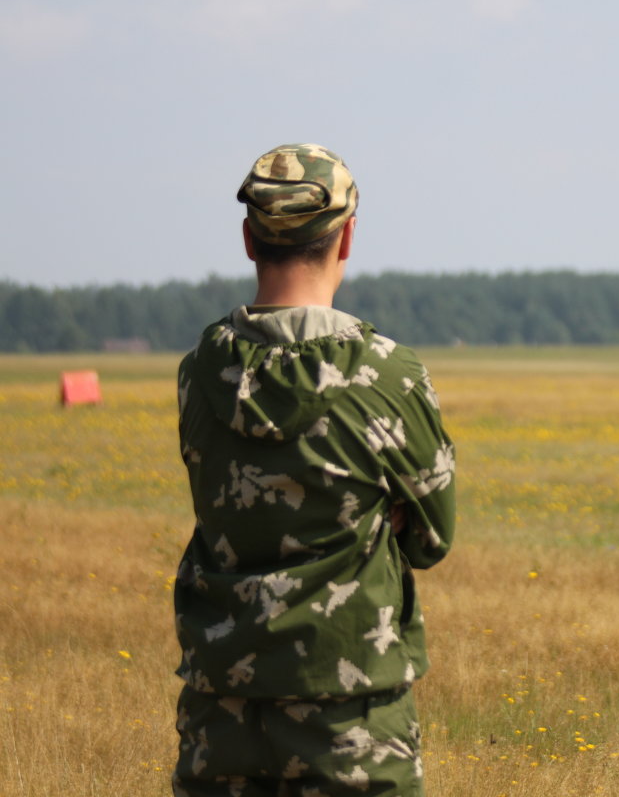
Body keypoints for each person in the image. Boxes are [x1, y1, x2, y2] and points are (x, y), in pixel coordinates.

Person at [172, 143, 455, 797]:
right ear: (348, 235)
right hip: (351, 722)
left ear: (249, 239)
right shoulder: (389, 374)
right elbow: (430, 539)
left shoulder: (199, 373)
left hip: (221, 716)